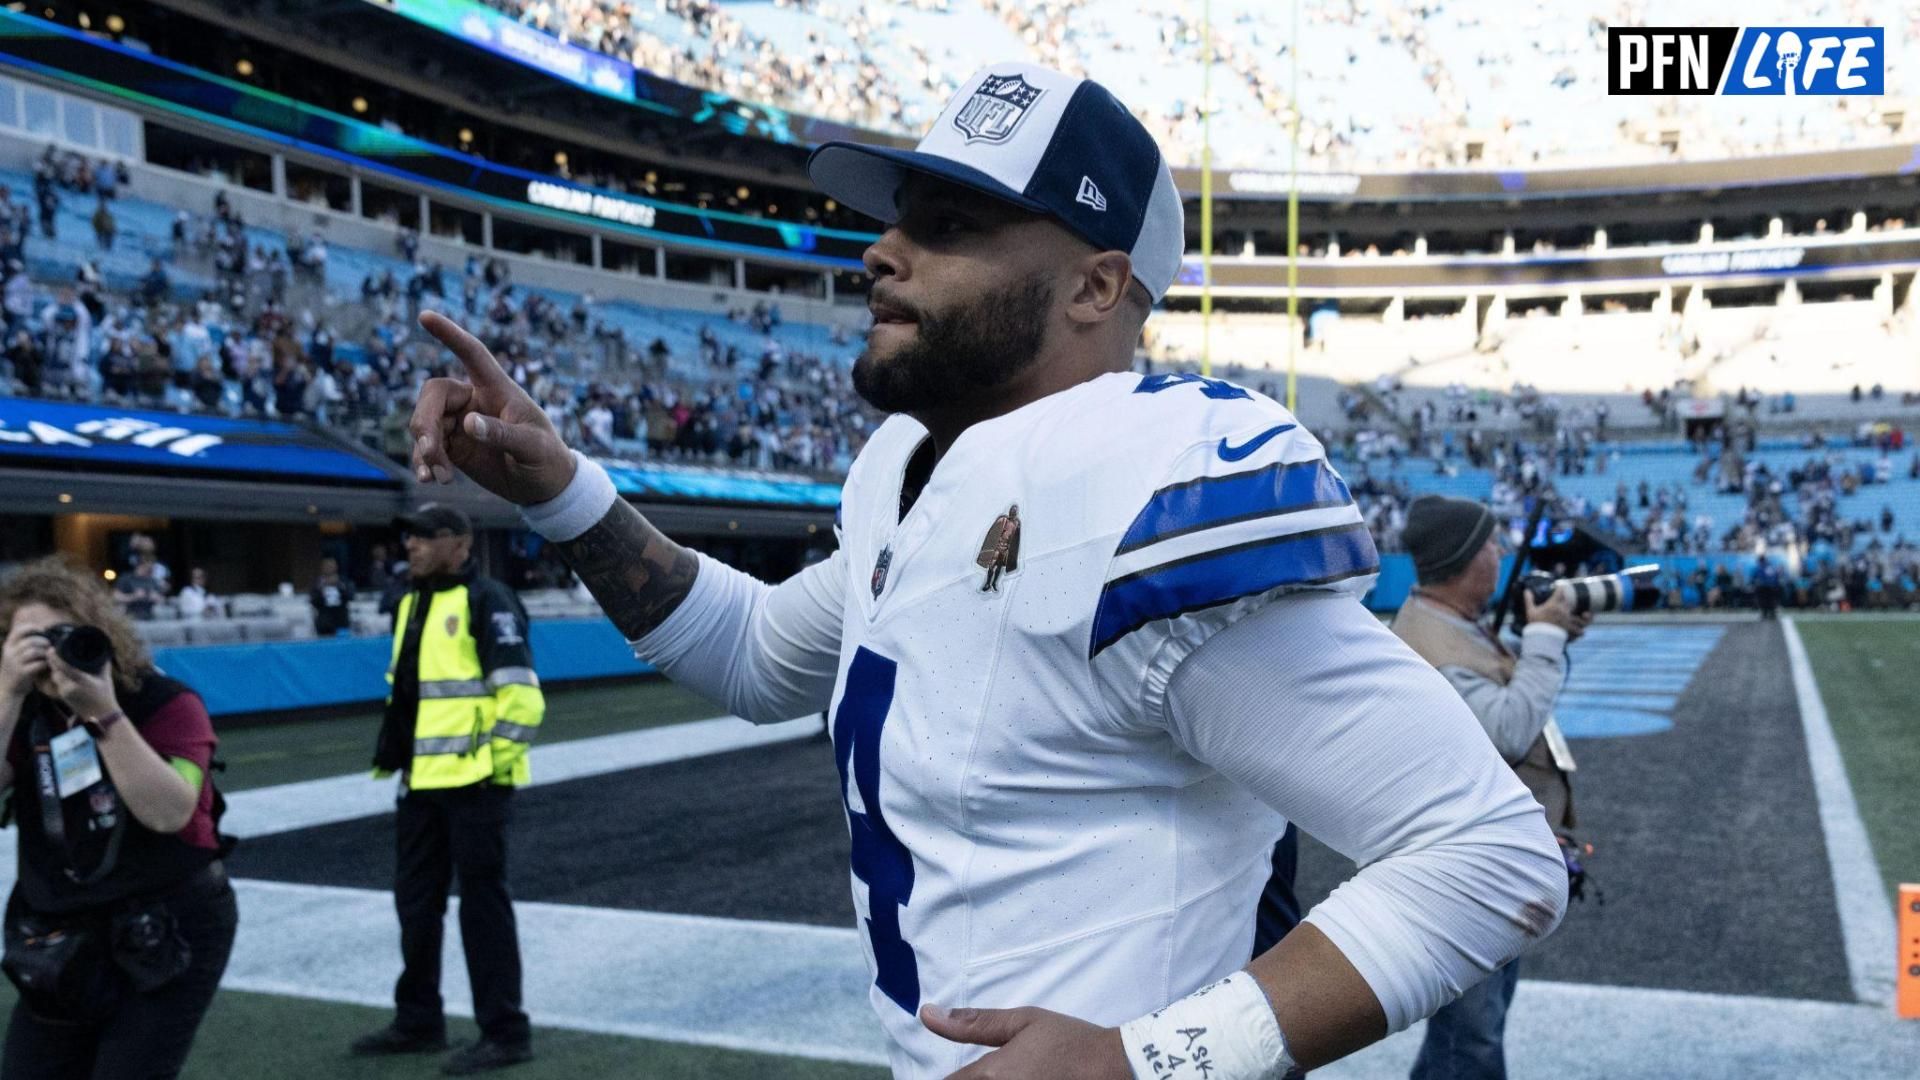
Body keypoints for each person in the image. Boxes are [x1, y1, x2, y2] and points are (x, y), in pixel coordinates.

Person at [408, 63, 1566, 1080]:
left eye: (951, 225)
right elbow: (755, 656)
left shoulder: (1144, 480)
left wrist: (1150, 1059)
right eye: (902, 218)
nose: (882, 251)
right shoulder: (908, 470)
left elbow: (1487, 855)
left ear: (1095, 287)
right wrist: (561, 488)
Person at [0, 557, 236, 1079]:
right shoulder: (19, 708)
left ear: (101, 636)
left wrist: (103, 714)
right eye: (31, 640)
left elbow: (170, 812)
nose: (50, 654)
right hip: (60, 930)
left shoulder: (166, 703)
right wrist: (7, 692)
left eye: (64, 637)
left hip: (170, 922)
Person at [1390, 495, 1586, 1080]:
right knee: (1471, 1038)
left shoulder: (1446, 622)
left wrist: (1547, 639)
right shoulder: (1430, 640)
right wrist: (1544, 641)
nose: (1501, 554)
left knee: (1468, 1029)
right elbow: (1506, 730)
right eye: (1492, 544)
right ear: (1466, 558)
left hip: (1482, 854)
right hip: (1462, 867)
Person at [350, 504, 544, 1075]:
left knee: (482, 909)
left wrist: (492, 766)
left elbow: (521, 698)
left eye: (424, 536)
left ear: (460, 543)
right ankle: (418, 1020)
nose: (410, 545)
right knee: (415, 905)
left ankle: (505, 1031)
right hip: (421, 783)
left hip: (474, 785)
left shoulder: (489, 600)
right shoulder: (409, 602)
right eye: (408, 537)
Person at [112, 548, 166, 621]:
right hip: (129, 617)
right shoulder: (126, 578)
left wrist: (156, 597)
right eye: (149, 565)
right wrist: (134, 596)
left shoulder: (152, 580)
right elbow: (116, 596)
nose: (151, 568)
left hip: (149, 618)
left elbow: (162, 599)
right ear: (141, 565)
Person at [309, 557, 355, 637]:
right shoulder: (317, 583)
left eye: (331, 566)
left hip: (341, 619)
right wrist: (322, 588)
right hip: (324, 621)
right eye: (326, 566)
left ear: (336, 567)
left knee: (343, 641)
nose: (329, 568)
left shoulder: (344, 581)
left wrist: (339, 585)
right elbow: (313, 600)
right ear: (322, 568)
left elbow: (350, 596)